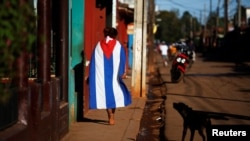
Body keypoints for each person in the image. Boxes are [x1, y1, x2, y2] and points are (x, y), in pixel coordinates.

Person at [88, 27, 132, 125]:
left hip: (102, 76)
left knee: (106, 94)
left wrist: (92, 74)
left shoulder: (98, 45)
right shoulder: (118, 45)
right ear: (115, 35)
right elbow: (122, 59)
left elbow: (94, 61)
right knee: (115, 94)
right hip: (114, 76)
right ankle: (112, 115)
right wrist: (123, 72)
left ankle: (109, 115)